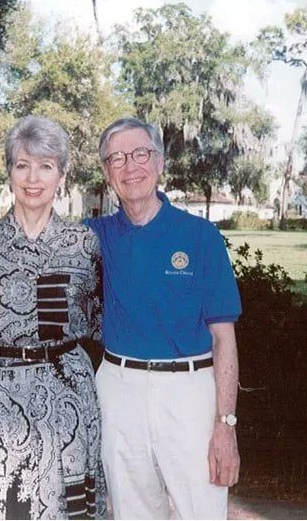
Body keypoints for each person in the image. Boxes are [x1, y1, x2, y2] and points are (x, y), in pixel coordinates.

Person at [84, 117, 241, 520]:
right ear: (106, 172)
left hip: (188, 391)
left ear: (159, 163)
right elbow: (28, 242)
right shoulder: (92, 237)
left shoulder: (201, 236)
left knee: (201, 509)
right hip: (118, 389)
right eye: (116, 158)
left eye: (140, 154)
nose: (129, 166)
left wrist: (225, 424)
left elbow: (223, 337)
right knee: (130, 510)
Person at [0, 115, 107, 520]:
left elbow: (99, 318)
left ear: (62, 175)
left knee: (70, 506)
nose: (33, 177)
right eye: (22, 165)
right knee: (9, 507)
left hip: (69, 396)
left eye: (45, 166)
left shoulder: (84, 244)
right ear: (8, 173)